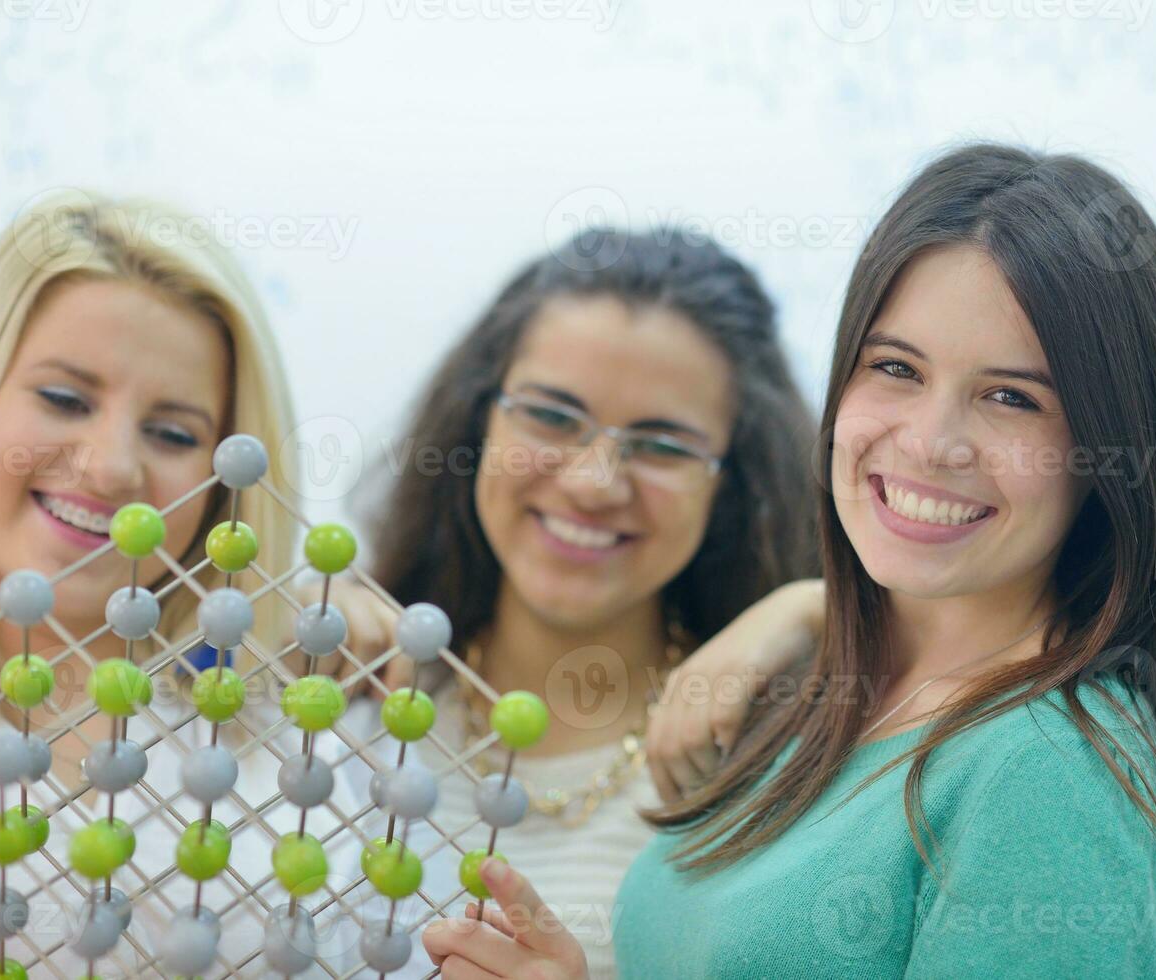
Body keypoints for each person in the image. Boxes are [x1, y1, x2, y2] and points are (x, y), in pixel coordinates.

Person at [419, 143, 1156, 979]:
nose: (930, 444)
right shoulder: (841, 700)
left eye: (1012, 397)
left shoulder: (1047, 777)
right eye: (895, 368)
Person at [324, 227, 820, 977]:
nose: (593, 481)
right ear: (476, 421)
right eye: (552, 416)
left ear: (733, 485)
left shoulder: (776, 769)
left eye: (663, 445)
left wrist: (814, 607)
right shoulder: (345, 690)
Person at [0, 191, 370, 977]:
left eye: (173, 433)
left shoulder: (293, 755)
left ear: (222, 482)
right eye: (64, 398)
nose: (113, 467)